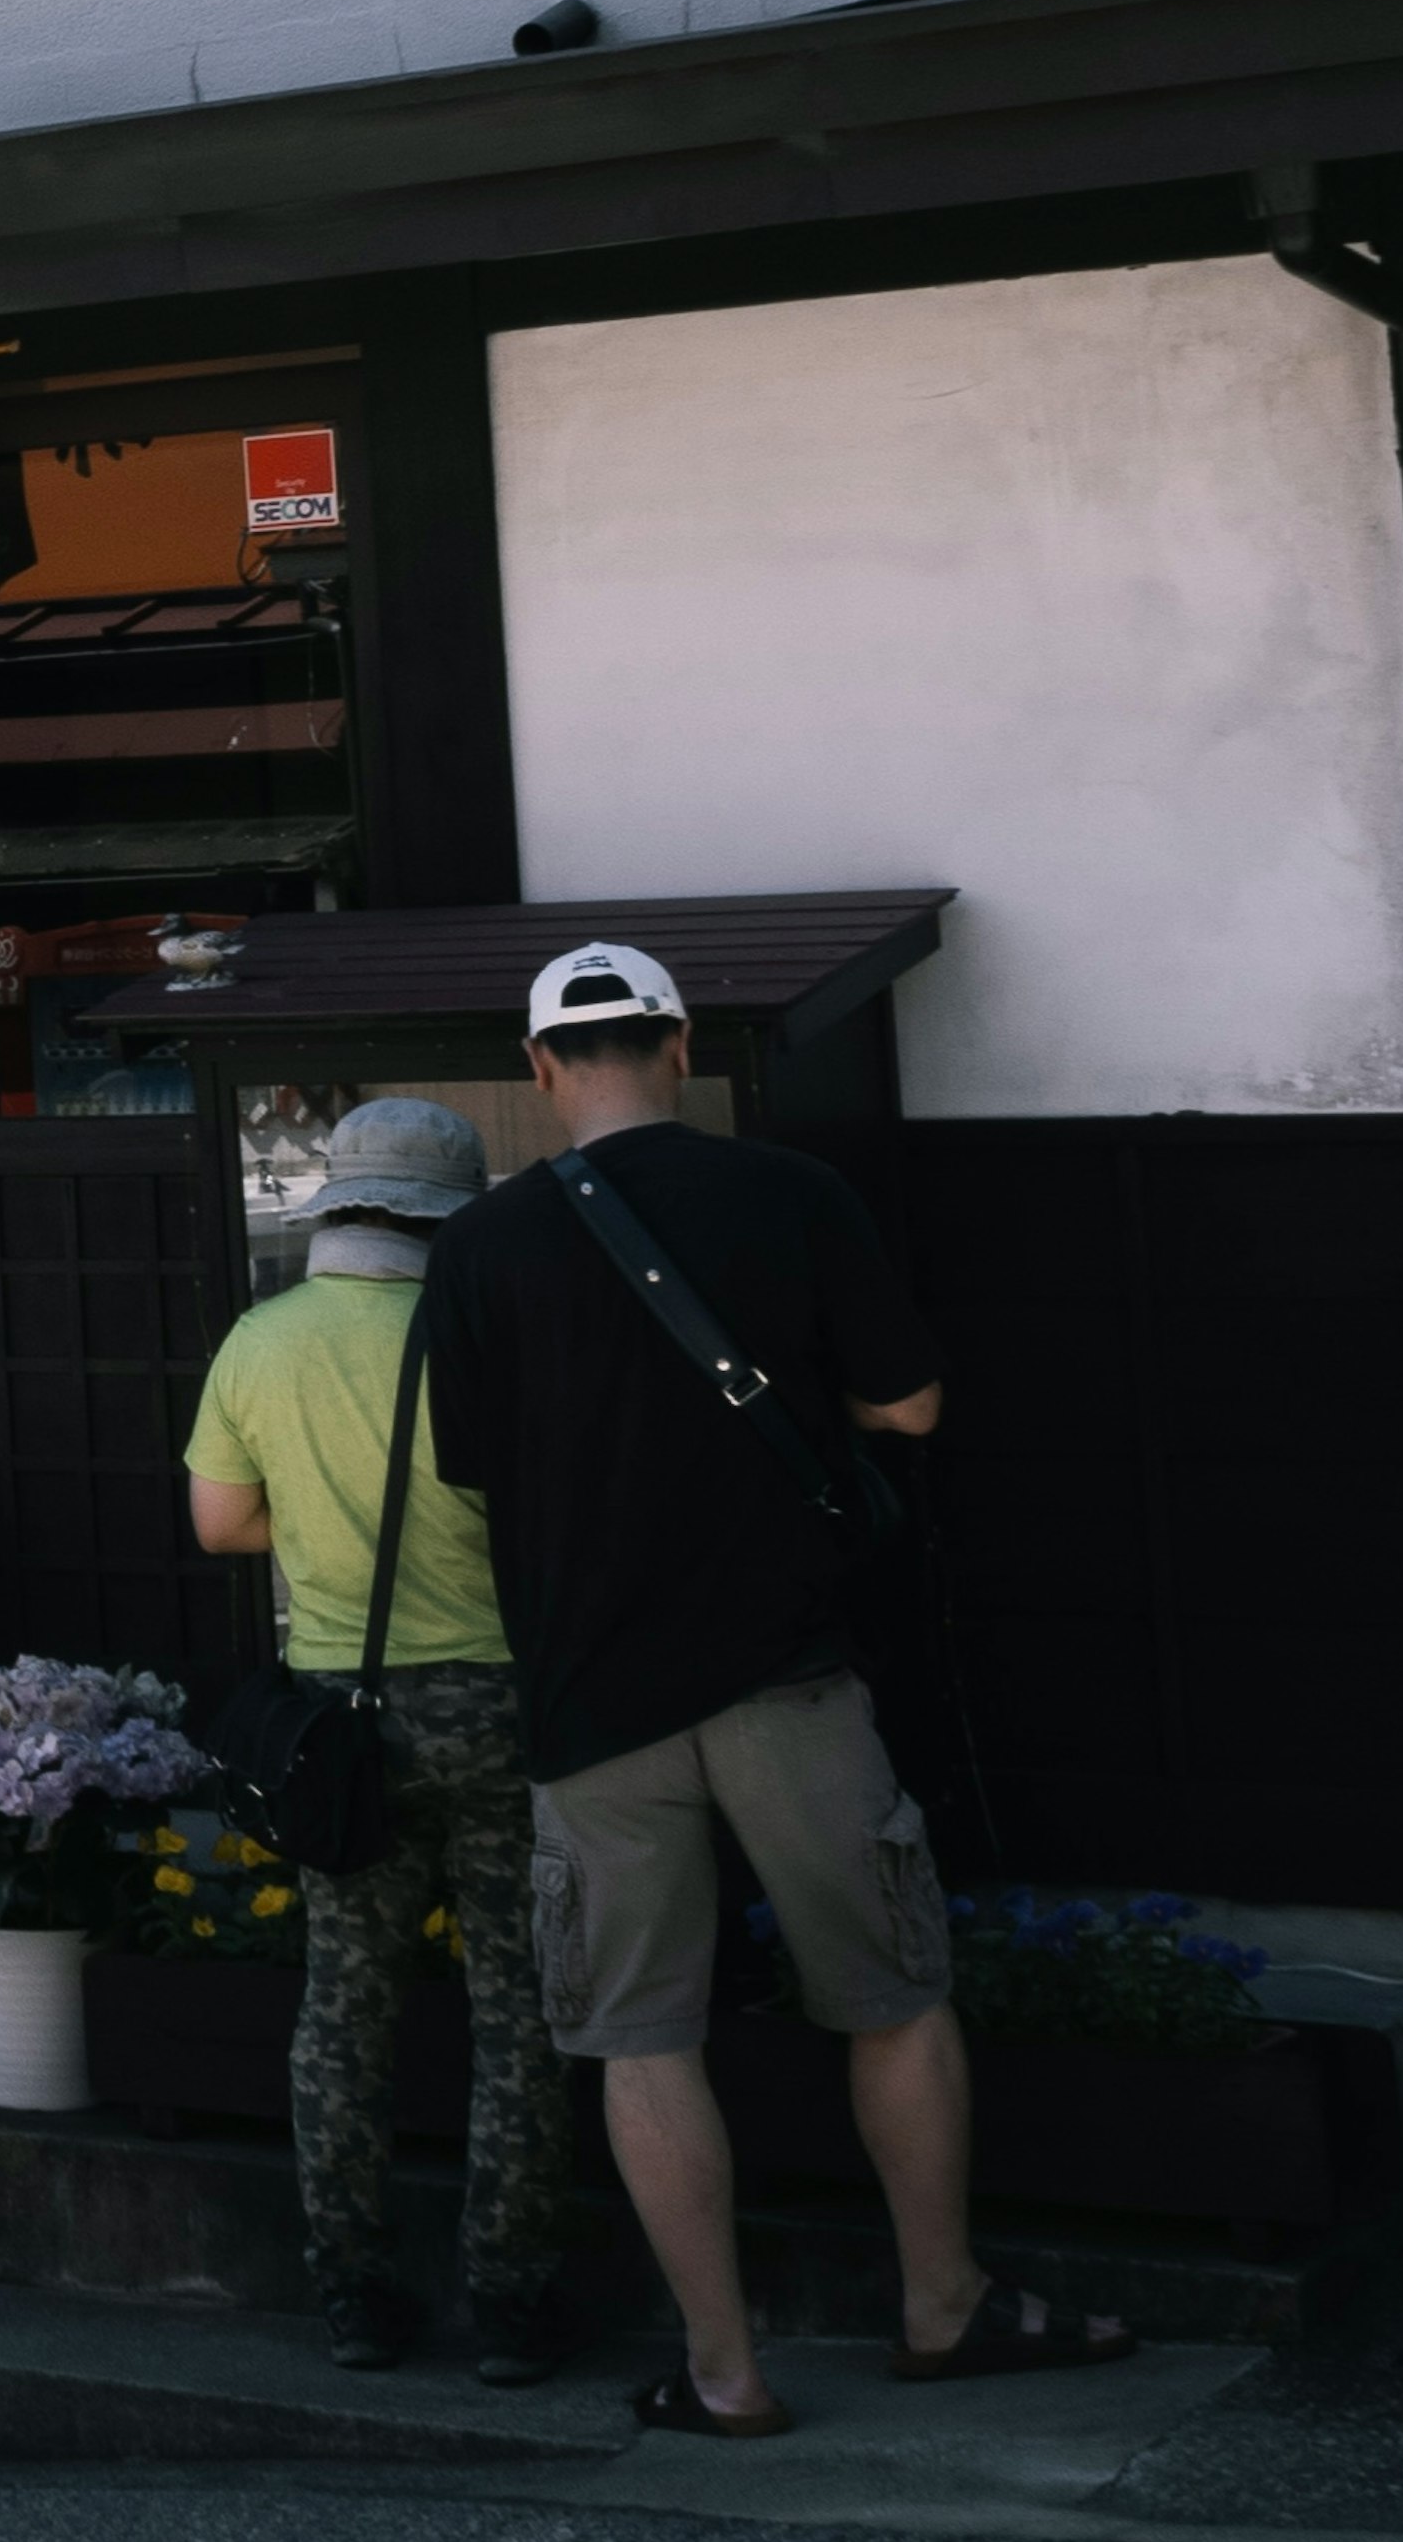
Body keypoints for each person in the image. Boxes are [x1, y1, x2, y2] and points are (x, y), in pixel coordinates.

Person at [416, 939, 1130, 2438]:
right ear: (679, 1047)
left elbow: (472, 1465)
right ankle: (941, 2304)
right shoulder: (797, 1196)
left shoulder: (480, 1248)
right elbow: (911, 1402)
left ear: (544, 1068)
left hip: (592, 1696)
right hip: (789, 1673)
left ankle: (726, 2367)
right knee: (892, 1995)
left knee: (640, 2035)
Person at [184, 1092, 568, 2386]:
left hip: (343, 1715)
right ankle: (510, 2302)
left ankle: (355, 2290)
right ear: (450, 1216)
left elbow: (223, 1526)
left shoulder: (261, 1339)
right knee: (523, 2007)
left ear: (338, 1203)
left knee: (345, 2006)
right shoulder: (498, 1332)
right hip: (502, 1700)